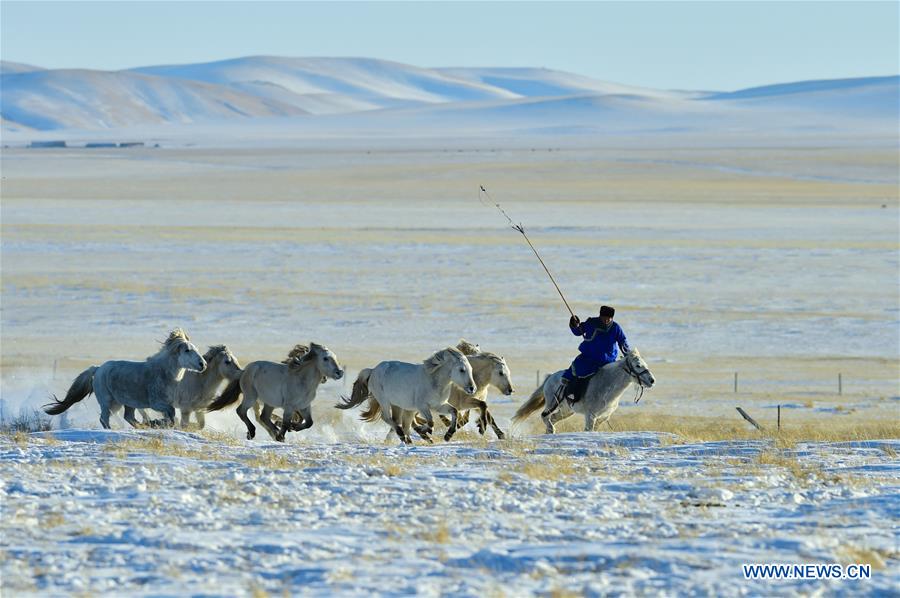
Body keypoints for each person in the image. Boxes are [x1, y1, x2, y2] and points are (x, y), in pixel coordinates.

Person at [558, 305, 631, 404]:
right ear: (600, 316)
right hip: (589, 357)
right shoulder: (591, 322)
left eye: (609, 318)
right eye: (604, 318)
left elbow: (623, 342)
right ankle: (572, 393)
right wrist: (575, 325)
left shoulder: (615, 327)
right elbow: (578, 331)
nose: (606, 320)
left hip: (608, 360)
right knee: (578, 368)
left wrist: (628, 354)